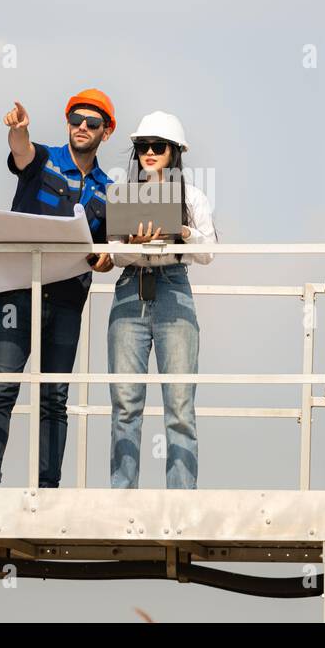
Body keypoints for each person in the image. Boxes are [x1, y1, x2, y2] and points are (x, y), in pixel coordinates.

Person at [0, 90, 117, 488]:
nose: (82, 128)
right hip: (20, 291)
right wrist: (19, 131)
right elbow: (21, 152)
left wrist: (105, 261)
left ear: (106, 132)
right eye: (76, 120)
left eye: (92, 123)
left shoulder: (110, 189)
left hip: (70, 300)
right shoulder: (44, 159)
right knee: (1, 388)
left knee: (54, 398)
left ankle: (49, 489)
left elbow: (106, 253)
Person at [106, 111, 216, 489]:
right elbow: (114, 255)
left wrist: (182, 232)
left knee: (180, 402)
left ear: (174, 152)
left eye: (158, 147)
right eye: (142, 147)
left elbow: (209, 252)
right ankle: (123, 497)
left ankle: (181, 498)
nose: (149, 153)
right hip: (129, 286)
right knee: (125, 402)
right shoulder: (121, 193)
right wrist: (131, 244)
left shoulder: (194, 196)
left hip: (173, 286)